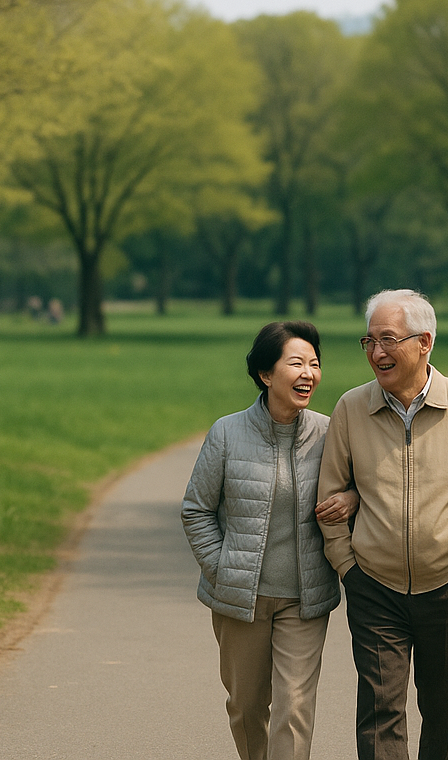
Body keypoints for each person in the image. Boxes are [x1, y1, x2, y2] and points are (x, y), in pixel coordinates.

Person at [317, 289, 448, 760]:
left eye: (388, 340)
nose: (376, 353)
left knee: (444, 714)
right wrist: (348, 568)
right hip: (374, 589)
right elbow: (330, 496)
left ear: (424, 342)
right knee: (378, 715)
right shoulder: (351, 408)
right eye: (369, 341)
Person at [182, 320, 359, 760]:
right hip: (240, 598)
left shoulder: (331, 432)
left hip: (305, 598)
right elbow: (197, 510)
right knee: (246, 707)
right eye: (296, 363)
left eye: (314, 364)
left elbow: (365, 486)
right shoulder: (227, 433)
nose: (308, 374)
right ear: (265, 374)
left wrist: (352, 498)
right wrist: (222, 568)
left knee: (294, 707)